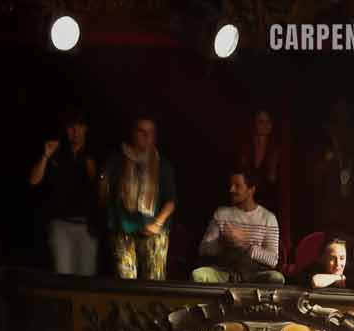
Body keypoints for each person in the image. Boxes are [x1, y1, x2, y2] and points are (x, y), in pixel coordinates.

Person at [107, 116, 178, 282]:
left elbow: (171, 200)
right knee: (125, 280)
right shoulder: (118, 160)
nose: (146, 136)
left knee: (154, 281)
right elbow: (108, 194)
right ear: (133, 134)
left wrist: (157, 223)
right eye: (141, 131)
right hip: (124, 228)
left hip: (154, 229)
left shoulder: (162, 164)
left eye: (151, 132)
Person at [31, 115, 100, 275]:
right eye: (71, 127)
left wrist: (93, 173)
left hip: (87, 227)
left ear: (86, 129)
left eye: (79, 126)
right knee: (63, 277)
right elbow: (34, 180)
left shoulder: (93, 154)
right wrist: (46, 156)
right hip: (61, 225)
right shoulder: (56, 152)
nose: (75, 131)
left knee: (86, 277)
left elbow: (101, 191)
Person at [189, 171, 285, 285]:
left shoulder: (268, 218)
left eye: (237, 186)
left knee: (276, 278)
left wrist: (245, 245)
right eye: (231, 185)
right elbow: (203, 249)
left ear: (251, 190)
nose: (231, 190)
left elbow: (273, 260)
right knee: (198, 275)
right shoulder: (222, 214)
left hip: (255, 275)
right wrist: (222, 243)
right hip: (225, 272)